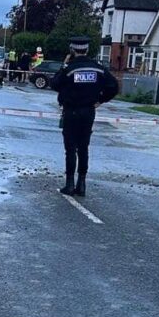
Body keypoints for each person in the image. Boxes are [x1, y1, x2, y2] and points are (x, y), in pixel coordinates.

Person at [50, 36, 119, 197]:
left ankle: (69, 184)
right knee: (83, 148)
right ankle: (82, 185)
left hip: (71, 111)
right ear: (87, 50)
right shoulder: (98, 68)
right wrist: (100, 100)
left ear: (72, 50)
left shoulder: (70, 68)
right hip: (88, 112)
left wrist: (64, 65)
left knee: (70, 149)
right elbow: (113, 86)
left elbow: (55, 84)